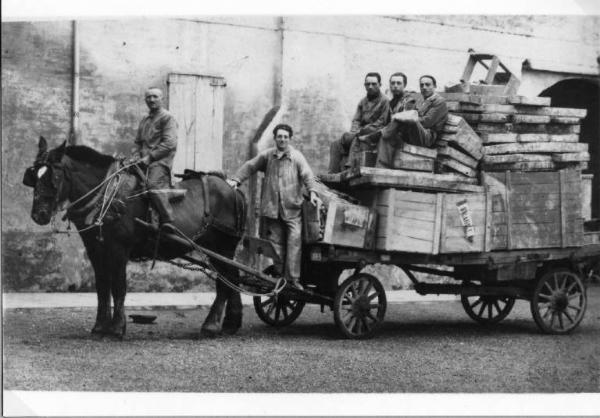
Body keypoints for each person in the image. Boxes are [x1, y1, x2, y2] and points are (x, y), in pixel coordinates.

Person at [227, 124, 322, 289]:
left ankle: (293, 280)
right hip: (272, 210)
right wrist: (236, 180)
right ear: (275, 138)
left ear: (289, 139)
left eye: (285, 137)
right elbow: (251, 165)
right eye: (280, 136)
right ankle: (279, 276)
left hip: (292, 210)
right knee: (276, 246)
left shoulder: (297, 157)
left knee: (294, 243)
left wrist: (313, 192)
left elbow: (307, 174)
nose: (282, 139)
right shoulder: (268, 156)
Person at [374, 75, 448, 168]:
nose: (424, 87)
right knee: (387, 137)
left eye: (427, 85)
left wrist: (404, 117)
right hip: (415, 133)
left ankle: (378, 134)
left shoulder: (439, 102)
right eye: (422, 85)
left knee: (404, 119)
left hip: (428, 137)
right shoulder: (422, 100)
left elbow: (427, 122)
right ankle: (382, 167)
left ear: (435, 86)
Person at [348, 72, 420, 164]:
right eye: (393, 83)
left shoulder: (409, 100)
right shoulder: (391, 102)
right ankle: (355, 166)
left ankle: (381, 166)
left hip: (403, 137)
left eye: (398, 83)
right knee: (362, 139)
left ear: (404, 85)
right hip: (389, 133)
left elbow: (405, 122)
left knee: (382, 138)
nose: (395, 86)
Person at [133, 87, 178, 229]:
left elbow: (170, 143)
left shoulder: (167, 117)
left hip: (160, 162)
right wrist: (135, 156)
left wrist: (150, 158)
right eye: (148, 97)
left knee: (152, 185)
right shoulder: (145, 120)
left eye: (155, 97)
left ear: (162, 99)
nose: (151, 100)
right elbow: (138, 143)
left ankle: (167, 220)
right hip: (144, 162)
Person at [328, 72, 390, 173]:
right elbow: (356, 120)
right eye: (367, 84)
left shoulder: (385, 101)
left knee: (356, 139)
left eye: (374, 84)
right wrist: (354, 131)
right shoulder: (363, 102)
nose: (370, 87)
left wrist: (361, 131)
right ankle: (332, 173)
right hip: (360, 133)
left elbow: (381, 122)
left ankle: (350, 169)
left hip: (374, 135)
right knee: (336, 144)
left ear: (380, 85)